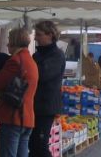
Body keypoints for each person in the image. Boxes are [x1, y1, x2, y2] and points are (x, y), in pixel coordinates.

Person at [0, 28, 39, 157]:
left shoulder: (15, 61)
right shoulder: (31, 62)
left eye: (9, 41)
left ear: (14, 42)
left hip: (13, 116)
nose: (7, 45)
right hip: (27, 117)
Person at [29, 21, 65, 157]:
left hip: (46, 107)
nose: (35, 38)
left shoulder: (57, 55)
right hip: (33, 105)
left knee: (40, 144)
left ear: (50, 35)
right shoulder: (37, 55)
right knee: (32, 145)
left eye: (39, 34)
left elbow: (42, 75)